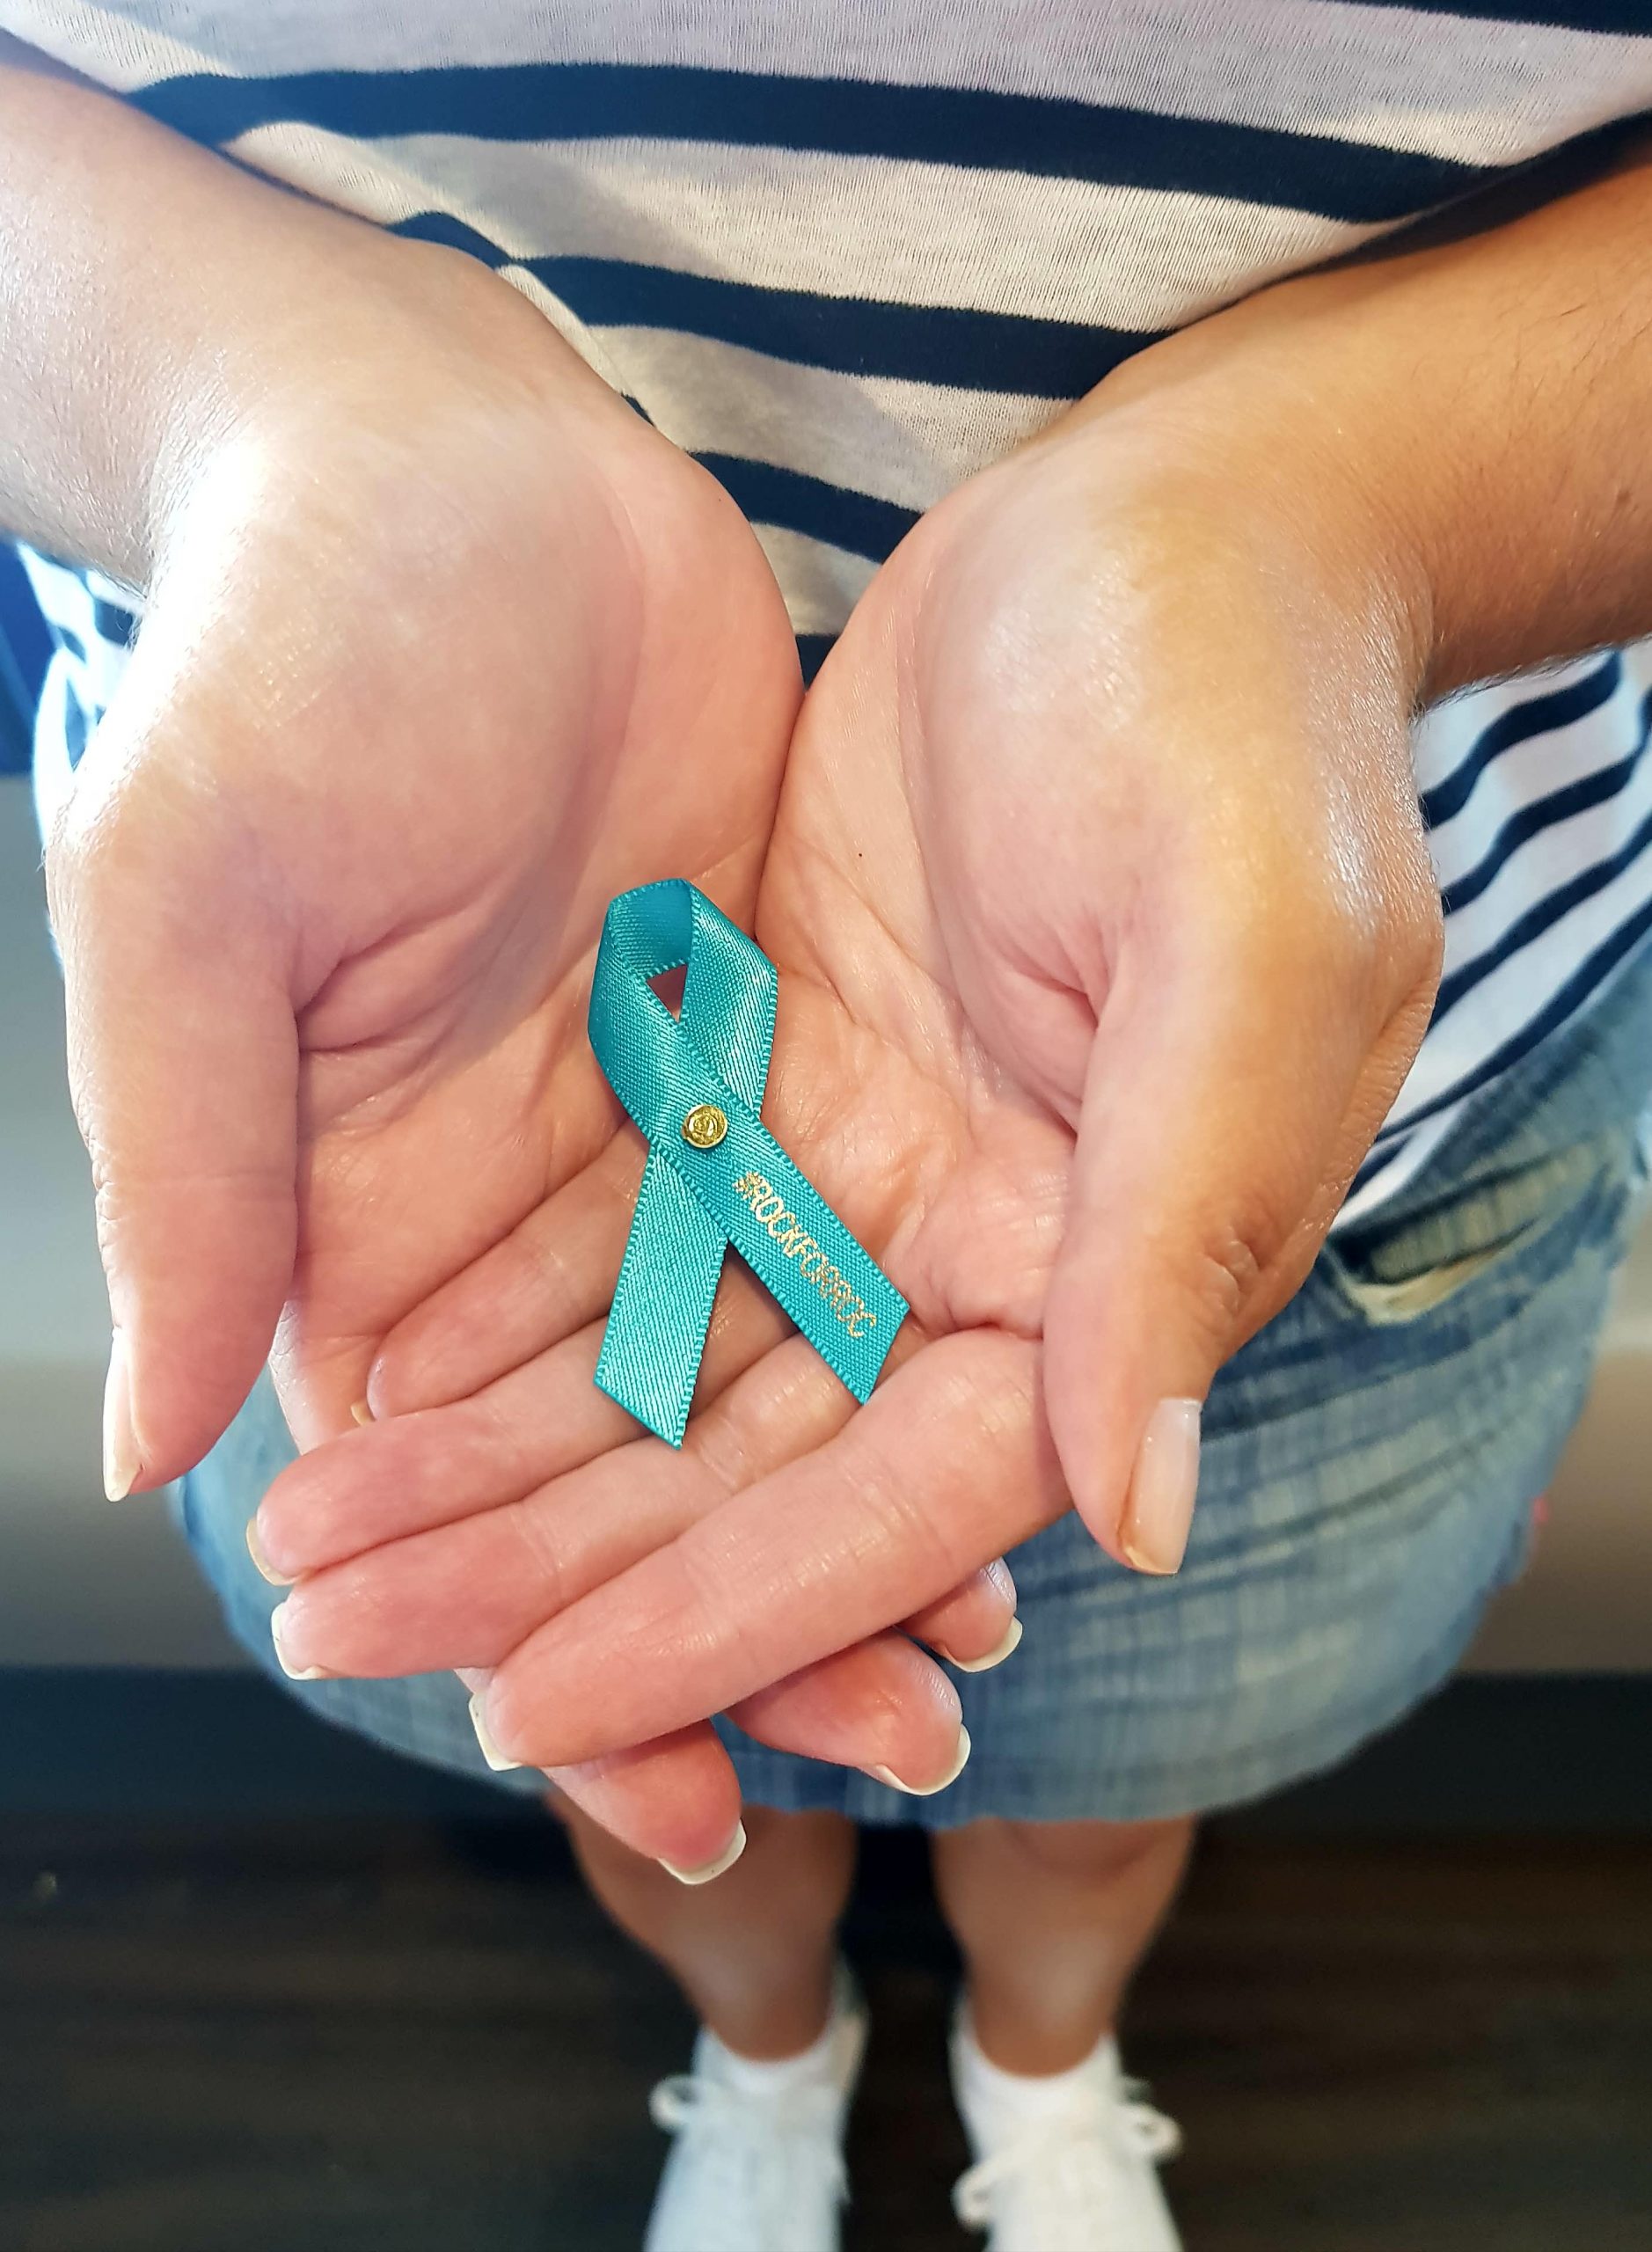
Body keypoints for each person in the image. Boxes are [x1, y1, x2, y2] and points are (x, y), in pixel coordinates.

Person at [7, 9, 1652, 2247]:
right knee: (648, 1753)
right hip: (394, 1090)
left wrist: (1328, 518)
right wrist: (245, 405)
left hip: (1348, 1123)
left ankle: (1043, 2068)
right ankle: (769, 2061)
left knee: (1098, 1801)